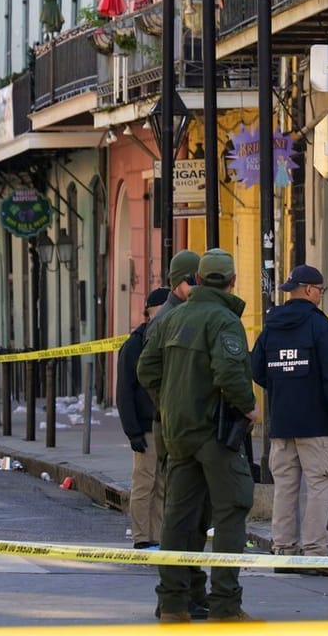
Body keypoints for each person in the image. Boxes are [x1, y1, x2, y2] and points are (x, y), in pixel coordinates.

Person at [137, 248, 257, 623]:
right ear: (232, 281)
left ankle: (172, 603)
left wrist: (170, 402)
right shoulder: (224, 320)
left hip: (178, 433)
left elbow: (146, 368)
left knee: (176, 516)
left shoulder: (171, 319)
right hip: (214, 433)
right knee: (231, 511)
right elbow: (230, 374)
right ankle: (225, 604)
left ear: (199, 280)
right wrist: (249, 407)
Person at [250, 263, 328, 574]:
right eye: (321, 291)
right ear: (309, 290)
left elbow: (256, 368)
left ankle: (284, 550)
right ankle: (315, 552)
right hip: (316, 425)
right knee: (321, 486)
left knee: (285, 487)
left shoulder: (271, 326)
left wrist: (281, 386)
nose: (322, 296)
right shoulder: (320, 327)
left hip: (282, 424)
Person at [119, 286, 170, 550]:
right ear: (150, 312)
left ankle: (158, 537)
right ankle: (141, 537)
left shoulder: (164, 337)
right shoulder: (135, 344)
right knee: (144, 483)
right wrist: (133, 432)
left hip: (163, 424)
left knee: (161, 484)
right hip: (145, 426)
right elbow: (125, 391)